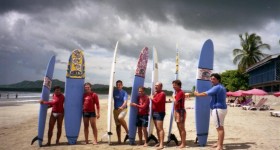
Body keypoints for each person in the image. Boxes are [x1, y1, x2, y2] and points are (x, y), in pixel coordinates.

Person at [194, 73, 227, 150]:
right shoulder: (220, 87)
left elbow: (205, 93)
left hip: (218, 109)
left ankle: (220, 146)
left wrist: (197, 94)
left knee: (219, 128)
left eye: (214, 79)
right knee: (219, 127)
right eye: (211, 79)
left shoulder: (217, 87)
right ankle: (218, 143)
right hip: (221, 109)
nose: (211, 80)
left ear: (218, 80)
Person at [151, 82, 166, 150]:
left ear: (161, 87)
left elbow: (157, 102)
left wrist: (151, 98)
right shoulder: (156, 93)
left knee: (160, 129)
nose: (155, 87)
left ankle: (162, 144)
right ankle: (159, 142)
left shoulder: (162, 94)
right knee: (157, 128)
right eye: (155, 85)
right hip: (154, 112)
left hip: (160, 113)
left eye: (157, 86)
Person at [172, 80, 186, 148]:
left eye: (175, 85)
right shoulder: (178, 92)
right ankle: (182, 142)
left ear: (179, 85)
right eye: (173, 85)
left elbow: (176, 102)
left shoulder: (180, 92)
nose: (173, 86)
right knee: (179, 127)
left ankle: (183, 143)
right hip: (177, 110)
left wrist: (173, 97)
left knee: (181, 127)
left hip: (180, 111)